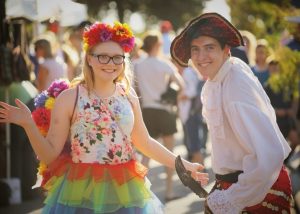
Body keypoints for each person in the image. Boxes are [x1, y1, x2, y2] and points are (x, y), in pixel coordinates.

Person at [0, 21, 208, 213]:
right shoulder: (69, 98)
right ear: (89, 58)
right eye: (103, 56)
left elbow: (145, 142)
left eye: (118, 57)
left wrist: (185, 166)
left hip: (126, 188)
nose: (111, 63)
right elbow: (49, 155)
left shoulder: (128, 95)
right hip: (80, 193)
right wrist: (28, 124)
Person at [171, 12, 292, 213]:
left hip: (257, 191)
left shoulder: (235, 85)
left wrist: (230, 199)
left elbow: (269, 154)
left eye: (209, 48)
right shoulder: (219, 77)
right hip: (240, 185)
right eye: (195, 50)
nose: (201, 57)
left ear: (226, 49)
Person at [134, 32, 185, 202]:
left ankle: (140, 193)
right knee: (170, 154)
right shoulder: (164, 64)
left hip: (147, 111)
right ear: (157, 45)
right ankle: (169, 191)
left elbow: (134, 88)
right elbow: (181, 84)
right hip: (165, 110)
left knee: (146, 154)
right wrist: (172, 95)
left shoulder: (137, 65)